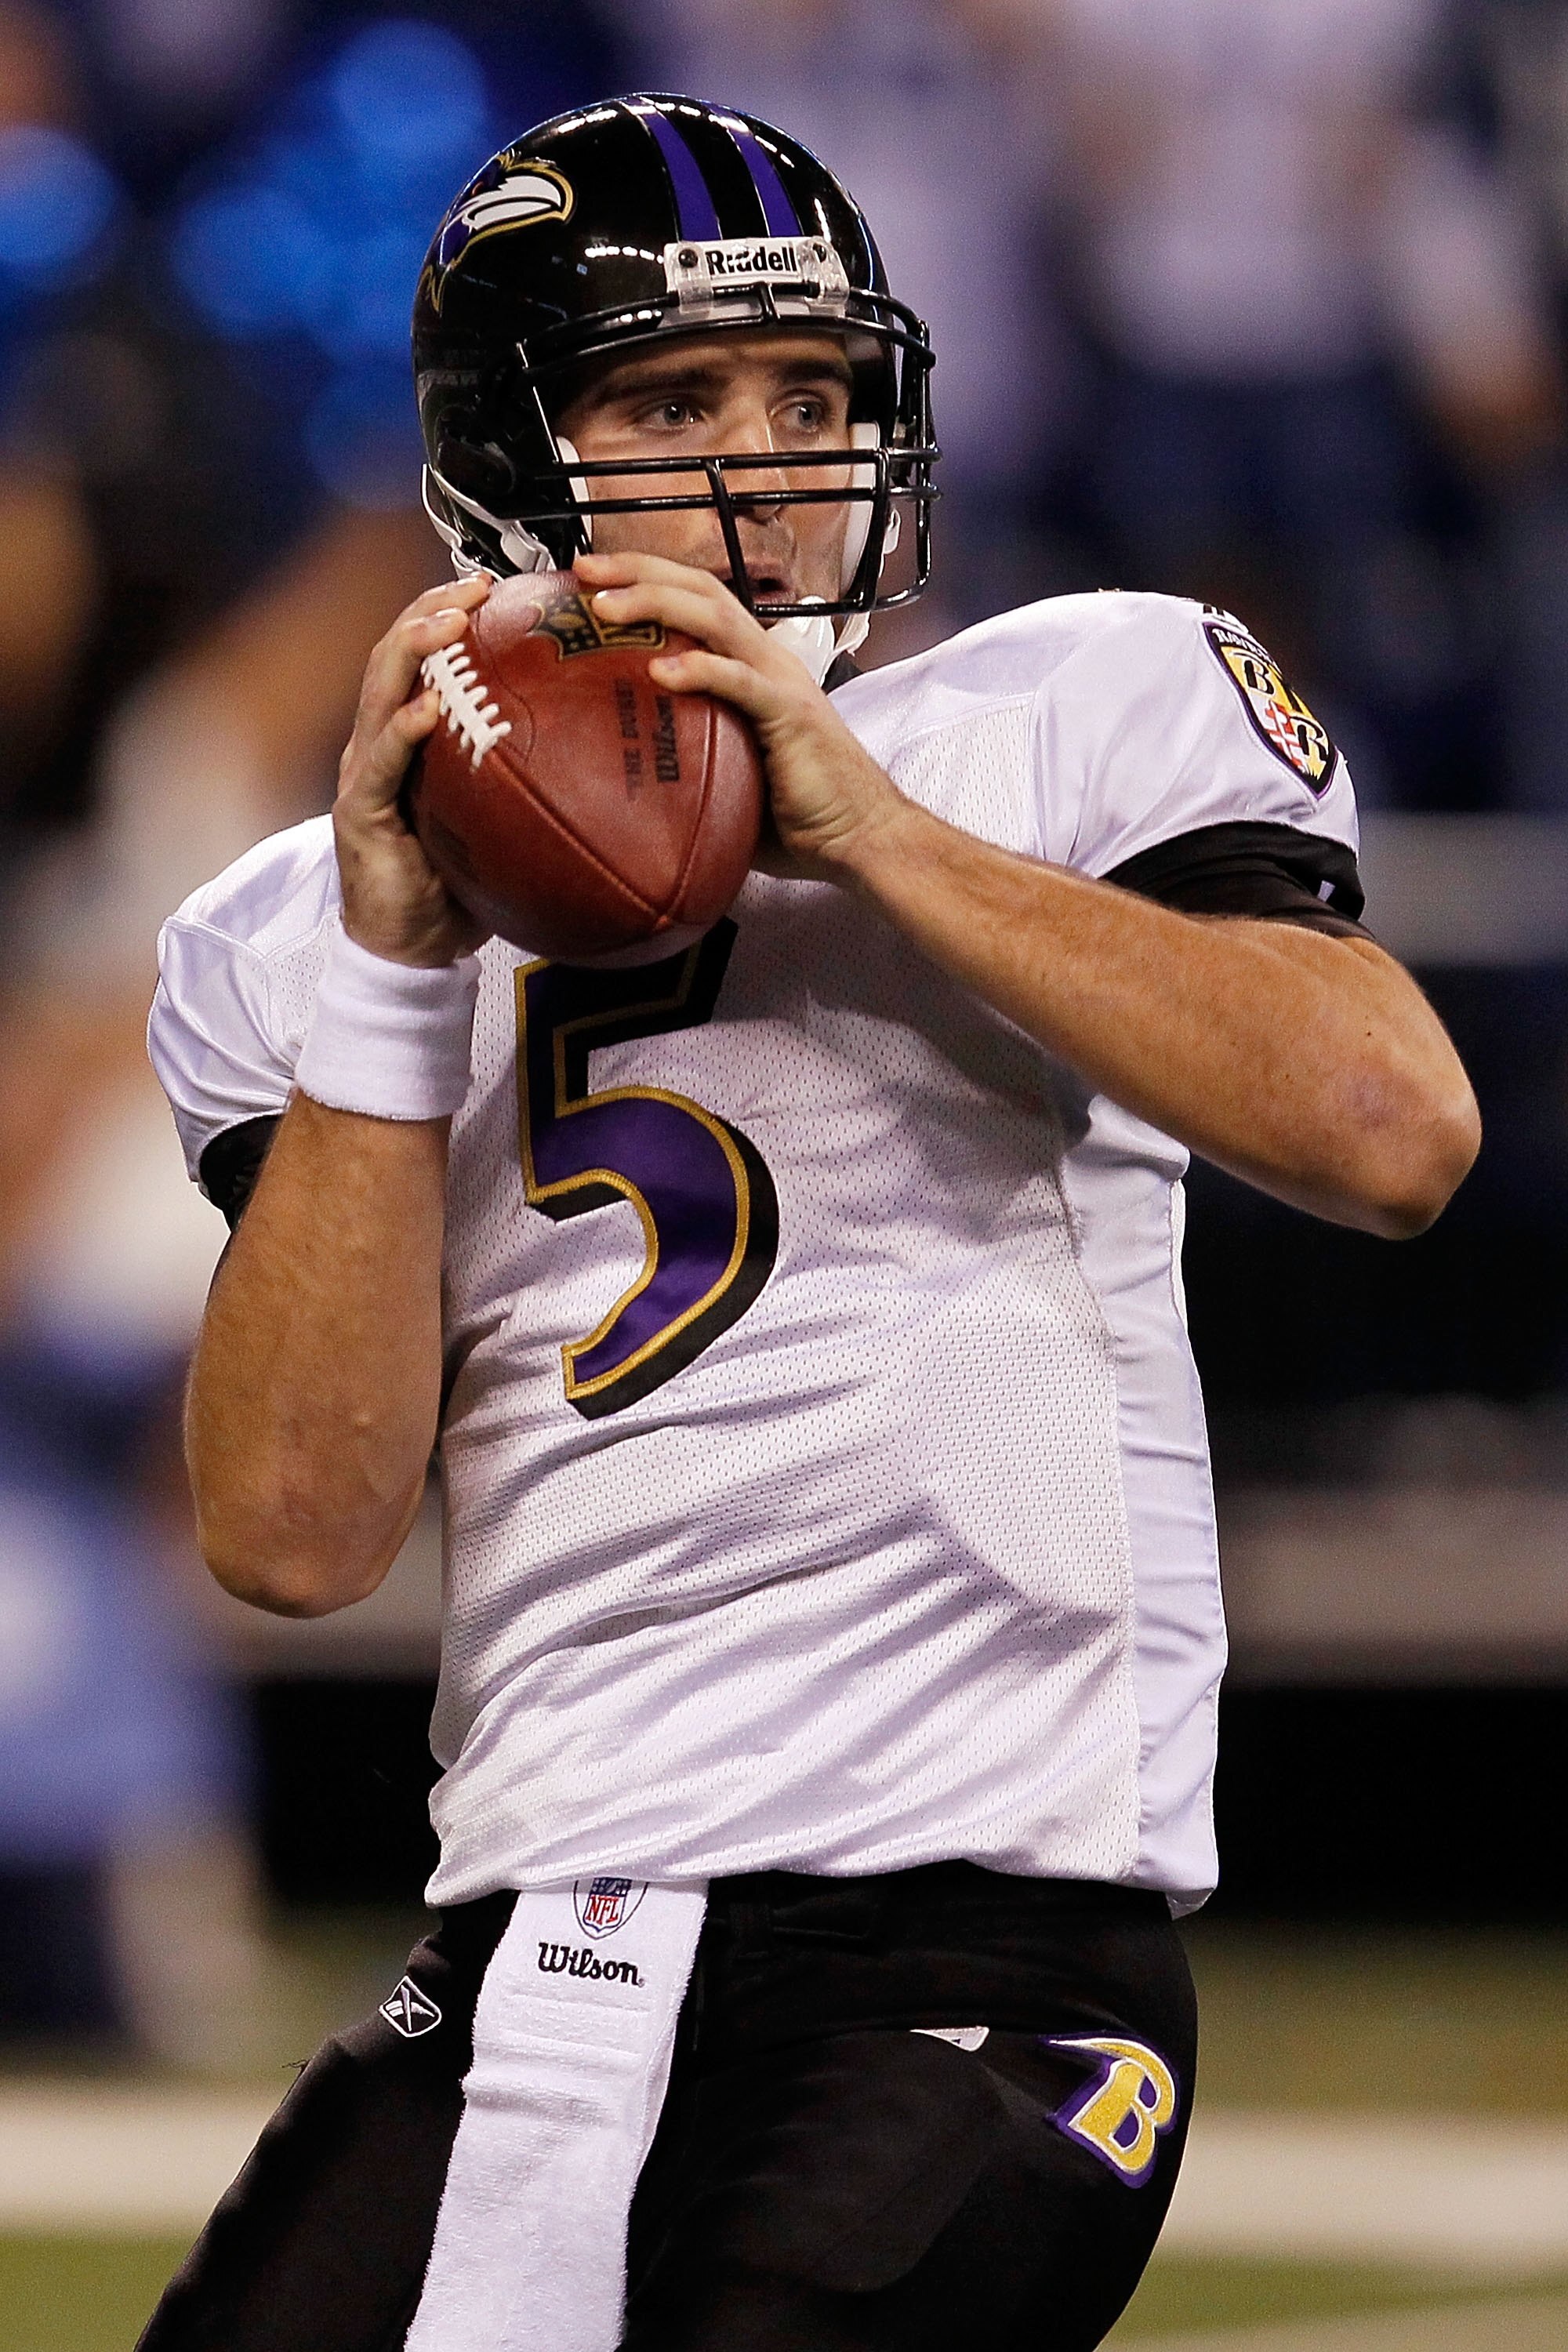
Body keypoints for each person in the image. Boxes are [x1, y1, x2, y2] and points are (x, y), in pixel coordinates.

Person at [138, 95, 1479, 2352]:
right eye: (676, 402)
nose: (775, 463)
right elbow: (291, 1531)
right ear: (509, 453)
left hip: (982, 1935)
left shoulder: (1077, 710)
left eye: (821, 395)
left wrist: (871, 831)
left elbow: (1389, 1129)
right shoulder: (287, 936)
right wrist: (393, 963)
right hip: (529, 1939)